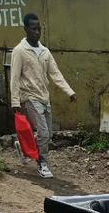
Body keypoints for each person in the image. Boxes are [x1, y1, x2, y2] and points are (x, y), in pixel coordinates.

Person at [10, 13, 77, 179]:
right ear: (26, 29)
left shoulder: (45, 52)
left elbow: (55, 74)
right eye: (33, 29)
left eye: (39, 29)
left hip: (44, 98)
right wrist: (15, 101)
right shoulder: (20, 51)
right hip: (29, 97)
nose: (37, 32)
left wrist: (69, 91)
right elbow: (15, 77)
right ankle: (42, 163)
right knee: (44, 133)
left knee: (47, 133)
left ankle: (24, 146)